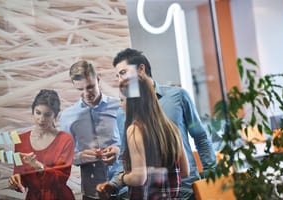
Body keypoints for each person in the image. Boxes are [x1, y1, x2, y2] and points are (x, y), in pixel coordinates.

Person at [97, 48, 217, 200]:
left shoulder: (178, 96)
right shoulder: (123, 114)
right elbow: (126, 156)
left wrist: (211, 177)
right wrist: (115, 185)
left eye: (123, 73)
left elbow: (200, 137)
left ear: (141, 69)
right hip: (148, 194)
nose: (120, 80)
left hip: (186, 188)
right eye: (117, 76)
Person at [98, 75, 189, 199]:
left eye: (122, 100)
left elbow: (139, 177)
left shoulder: (135, 130)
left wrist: (122, 178)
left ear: (132, 102)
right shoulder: (172, 128)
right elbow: (185, 171)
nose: (120, 105)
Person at [60, 60, 121, 200]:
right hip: (92, 193)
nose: (86, 93)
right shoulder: (67, 116)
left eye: (90, 87)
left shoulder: (119, 106)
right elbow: (63, 157)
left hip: (124, 188)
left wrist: (118, 150)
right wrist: (79, 157)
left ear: (98, 79)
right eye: (80, 89)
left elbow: (135, 142)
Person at [8, 89, 75, 200]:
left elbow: (61, 178)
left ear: (55, 116)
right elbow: (20, 178)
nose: (41, 119)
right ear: (32, 111)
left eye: (47, 115)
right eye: (38, 113)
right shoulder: (20, 140)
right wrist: (15, 181)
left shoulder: (65, 139)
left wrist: (38, 166)